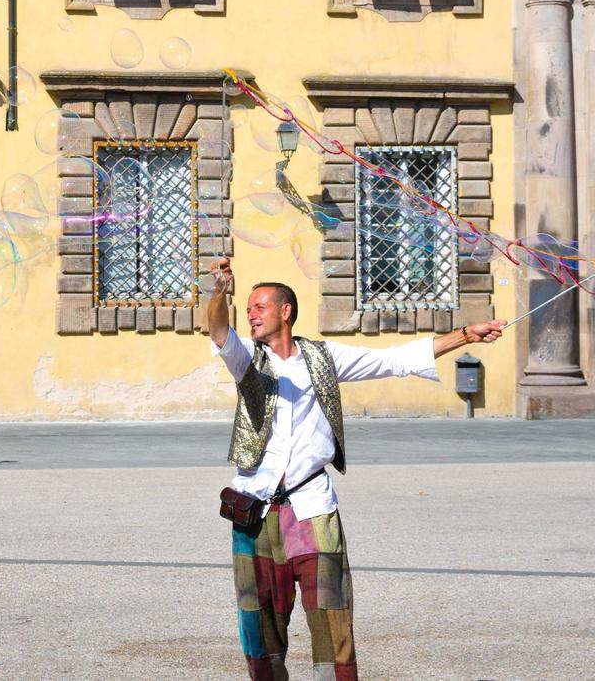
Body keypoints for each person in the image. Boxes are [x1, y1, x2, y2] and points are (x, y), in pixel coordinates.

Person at [206, 257, 504, 681]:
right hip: (255, 511)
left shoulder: (323, 359)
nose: (251, 314)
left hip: (312, 507)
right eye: (249, 308)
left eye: (259, 307)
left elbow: (396, 359)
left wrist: (464, 335)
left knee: (332, 617)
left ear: (285, 311)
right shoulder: (246, 361)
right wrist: (219, 291)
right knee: (260, 621)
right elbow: (218, 329)